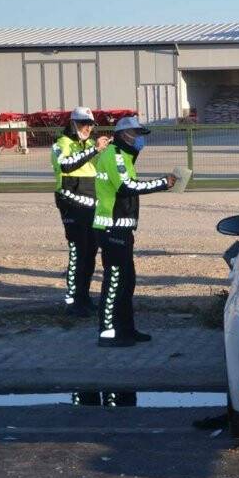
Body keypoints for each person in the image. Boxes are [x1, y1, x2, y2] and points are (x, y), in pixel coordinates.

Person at [92, 116, 176, 347]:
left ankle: (126, 329)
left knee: (127, 282)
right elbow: (126, 186)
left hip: (122, 228)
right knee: (114, 281)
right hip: (111, 228)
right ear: (123, 135)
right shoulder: (114, 155)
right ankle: (107, 333)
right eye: (136, 134)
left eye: (140, 134)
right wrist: (162, 183)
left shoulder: (125, 156)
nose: (139, 139)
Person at [51, 107, 110, 316]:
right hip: (71, 203)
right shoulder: (61, 144)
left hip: (91, 203)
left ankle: (83, 297)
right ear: (73, 123)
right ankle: (73, 301)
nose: (88, 128)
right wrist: (94, 150)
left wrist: (106, 149)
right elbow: (65, 166)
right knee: (78, 251)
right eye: (84, 123)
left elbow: (102, 166)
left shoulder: (91, 144)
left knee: (90, 251)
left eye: (91, 124)